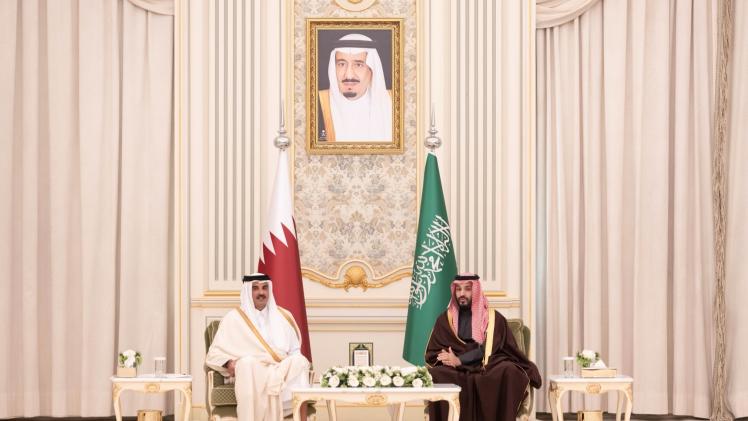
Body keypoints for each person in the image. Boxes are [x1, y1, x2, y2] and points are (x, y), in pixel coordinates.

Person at [425, 273, 542, 421]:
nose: (462, 293)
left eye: (467, 289)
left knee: (509, 370)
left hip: (488, 365)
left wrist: (460, 360)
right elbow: (436, 349)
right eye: (458, 289)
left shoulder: (493, 318)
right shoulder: (445, 319)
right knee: (437, 374)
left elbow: (491, 348)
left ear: (476, 290)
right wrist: (448, 358)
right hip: (457, 371)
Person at [205, 273, 311, 421]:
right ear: (247, 291)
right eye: (255, 288)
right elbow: (214, 353)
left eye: (264, 288)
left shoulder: (283, 316)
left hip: (279, 369)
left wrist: (289, 362)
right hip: (251, 370)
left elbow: (294, 351)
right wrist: (229, 363)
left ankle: (301, 418)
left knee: (299, 361)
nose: (261, 292)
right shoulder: (234, 318)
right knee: (247, 363)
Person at [318, 33, 392, 142]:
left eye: (358, 65)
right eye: (341, 64)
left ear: (372, 69)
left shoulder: (394, 103)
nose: (348, 75)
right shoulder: (317, 104)